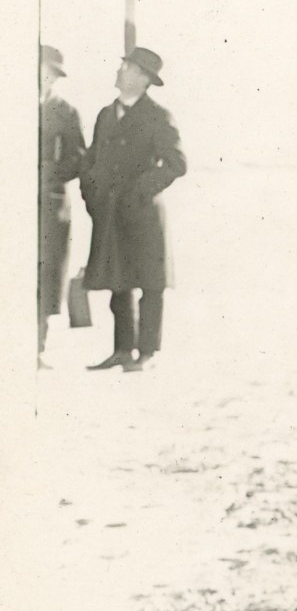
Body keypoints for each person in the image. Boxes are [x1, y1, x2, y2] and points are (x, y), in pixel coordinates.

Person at [82, 45, 185, 371]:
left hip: (143, 213)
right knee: (118, 282)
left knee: (150, 285)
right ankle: (123, 351)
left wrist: (141, 189)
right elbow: (92, 159)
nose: (119, 71)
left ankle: (148, 353)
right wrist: (91, 193)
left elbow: (176, 164)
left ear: (142, 78)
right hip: (110, 210)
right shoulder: (105, 114)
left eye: (126, 67)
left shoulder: (157, 116)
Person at [38, 43, 84, 362]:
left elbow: (78, 158)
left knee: (46, 274)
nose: (46, 79)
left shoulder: (65, 112)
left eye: (51, 75)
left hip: (50, 206)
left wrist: (49, 173)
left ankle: (36, 347)